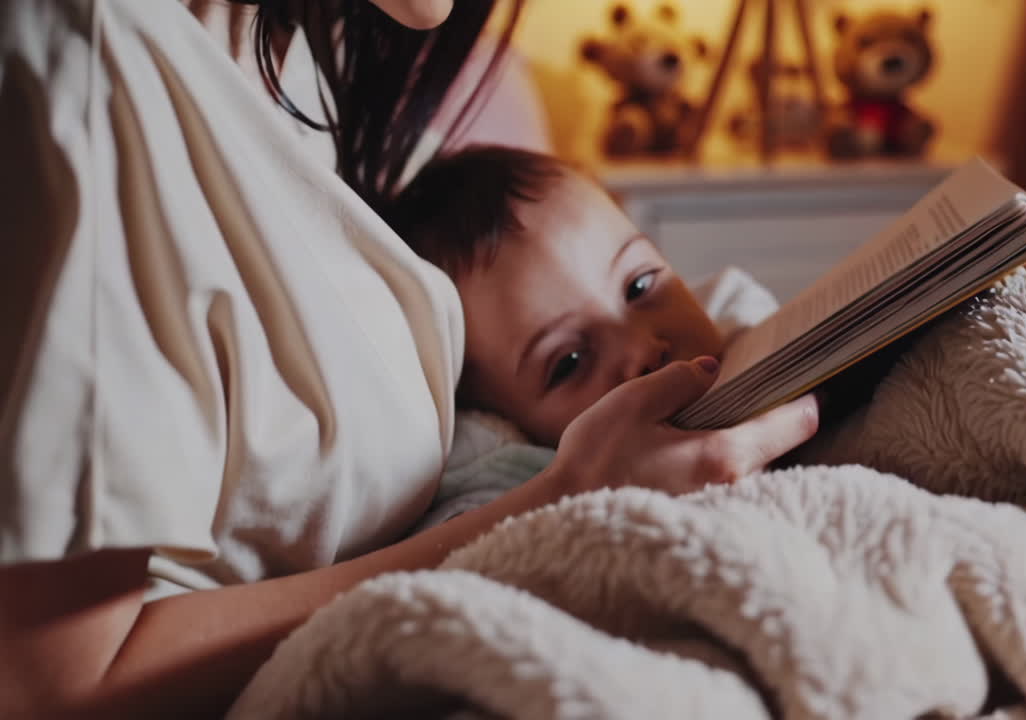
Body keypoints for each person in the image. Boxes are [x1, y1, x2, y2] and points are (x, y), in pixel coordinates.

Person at [0, 1, 819, 717]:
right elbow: (54, 688)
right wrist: (567, 495)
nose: (637, 345)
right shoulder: (86, 74)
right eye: (567, 361)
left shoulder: (304, 50)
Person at [387, 145, 790, 527]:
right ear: (499, 419)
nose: (643, 349)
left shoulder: (735, 316)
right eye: (570, 362)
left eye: (639, 286)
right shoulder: (501, 479)